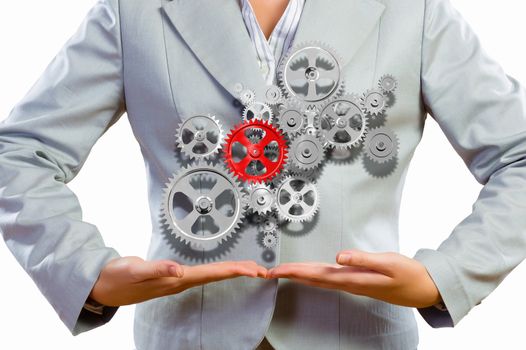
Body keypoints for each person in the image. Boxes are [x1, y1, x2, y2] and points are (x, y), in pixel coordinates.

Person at [1, 0, 526, 349]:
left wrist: (444, 277)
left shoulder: (416, 10)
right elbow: (19, 154)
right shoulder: (132, 9)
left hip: (357, 334)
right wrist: (86, 274)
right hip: (189, 334)